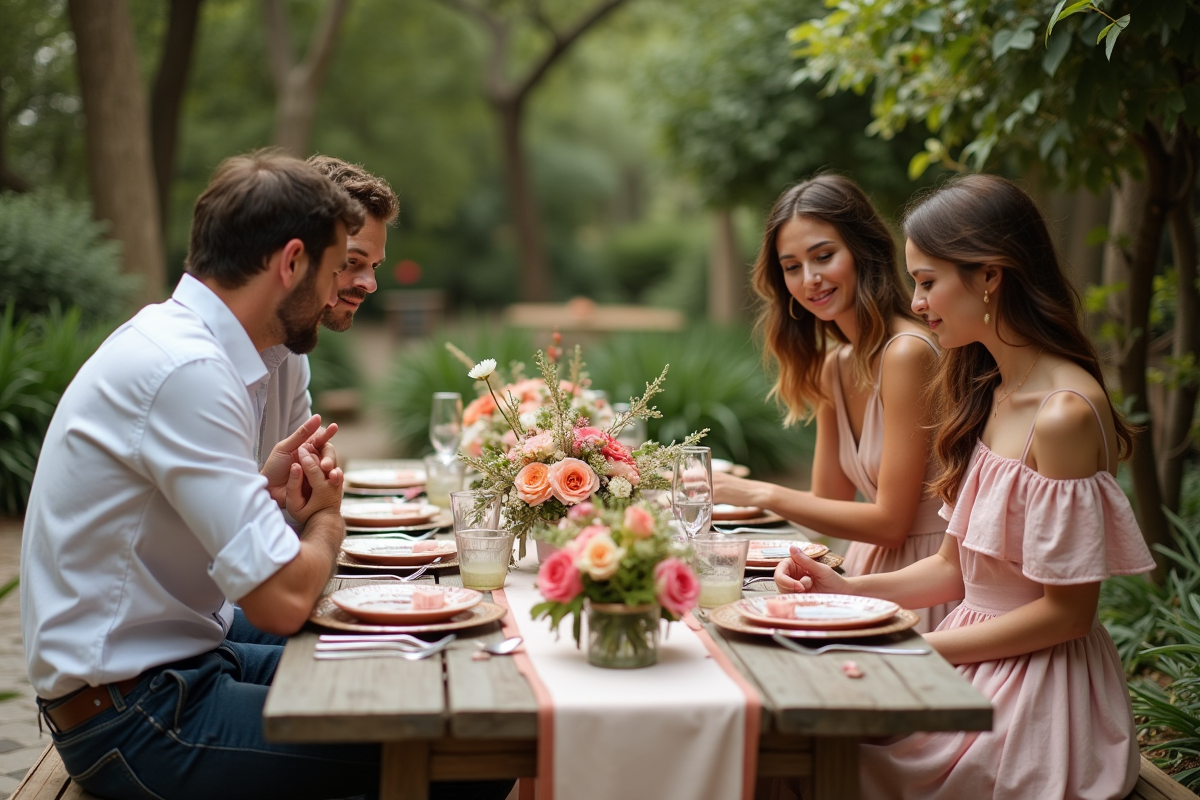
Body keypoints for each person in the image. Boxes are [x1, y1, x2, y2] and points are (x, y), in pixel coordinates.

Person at [21, 152, 509, 800]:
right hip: (135, 719)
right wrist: (326, 518)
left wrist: (266, 489)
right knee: (469, 758)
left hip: (180, 666)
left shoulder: (189, 346)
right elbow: (278, 604)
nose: (348, 285)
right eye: (340, 267)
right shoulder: (186, 370)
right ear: (291, 263)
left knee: (436, 676)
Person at [775, 173, 1156, 800]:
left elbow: (1068, 613)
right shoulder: (990, 389)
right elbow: (954, 569)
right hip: (973, 658)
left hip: (1039, 694)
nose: (917, 303)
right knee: (800, 737)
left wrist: (916, 649)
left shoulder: (1060, 414)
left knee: (821, 753)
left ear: (990, 276)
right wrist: (846, 590)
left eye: (927, 282)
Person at [713, 174, 954, 631]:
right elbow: (829, 505)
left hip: (925, 580)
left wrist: (757, 492)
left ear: (863, 250)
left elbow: (890, 523)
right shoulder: (836, 366)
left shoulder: (907, 353)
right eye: (792, 266)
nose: (810, 279)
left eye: (824, 256)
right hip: (866, 571)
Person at [256, 154, 399, 471]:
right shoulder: (191, 365)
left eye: (374, 266)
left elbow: (304, 497)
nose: (371, 284)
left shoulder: (290, 358)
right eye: (351, 262)